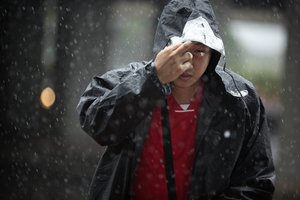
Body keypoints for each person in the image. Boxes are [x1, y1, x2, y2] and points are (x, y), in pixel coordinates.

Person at [76, 0, 275, 199]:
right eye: (178, 49)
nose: (187, 62)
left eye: (199, 51)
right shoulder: (130, 79)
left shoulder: (239, 99)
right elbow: (95, 123)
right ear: (163, 49)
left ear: (212, 54)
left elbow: (257, 183)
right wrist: (153, 79)